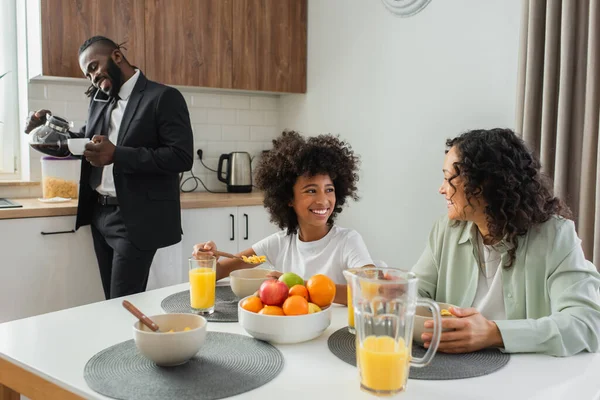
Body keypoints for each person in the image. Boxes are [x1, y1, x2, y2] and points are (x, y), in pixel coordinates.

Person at [24, 36, 194, 299]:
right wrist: (44, 133)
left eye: (93, 67)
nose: (92, 77)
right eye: (87, 74)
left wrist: (118, 154)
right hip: (99, 216)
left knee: (121, 304)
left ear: (116, 56)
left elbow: (181, 156)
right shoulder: (101, 99)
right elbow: (84, 142)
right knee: (110, 303)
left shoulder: (163, 97)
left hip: (135, 219)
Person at [412, 128, 600, 357]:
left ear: (482, 184)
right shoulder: (446, 230)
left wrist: (493, 333)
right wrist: (396, 291)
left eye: (447, 177)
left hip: (526, 379)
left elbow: (585, 323)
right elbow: (416, 294)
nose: (441, 189)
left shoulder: (556, 236)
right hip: (453, 367)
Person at [193, 131, 373, 305]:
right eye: (311, 191)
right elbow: (219, 271)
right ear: (289, 199)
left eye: (329, 189)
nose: (323, 200)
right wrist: (206, 259)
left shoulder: (348, 241)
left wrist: (298, 285)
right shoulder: (280, 243)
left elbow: (371, 290)